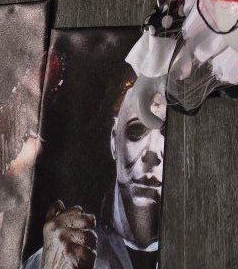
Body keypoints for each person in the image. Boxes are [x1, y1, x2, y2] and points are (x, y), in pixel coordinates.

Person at [24, 81, 165, 269]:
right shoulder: (61, 252)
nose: (151, 155)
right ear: (114, 139)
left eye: (167, 136)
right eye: (137, 130)